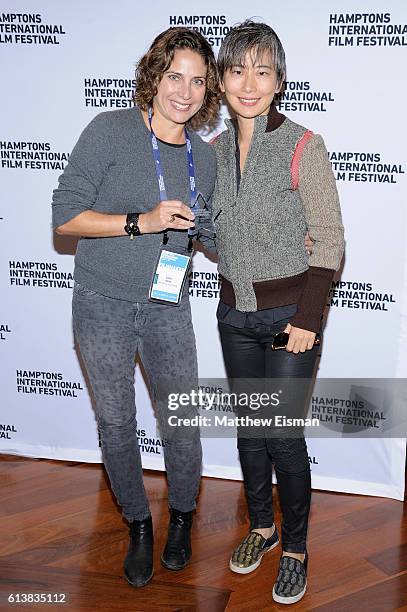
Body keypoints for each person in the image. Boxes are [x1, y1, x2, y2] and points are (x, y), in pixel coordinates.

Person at [51, 27, 220, 588]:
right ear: (154, 75)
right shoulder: (110, 130)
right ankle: (139, 524)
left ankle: (183, 517)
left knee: (181, 422)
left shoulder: (204, 156)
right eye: (176, 76)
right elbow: (66, 217)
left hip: (168, 305)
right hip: (102, 305)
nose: (185, 91)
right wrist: (139, 222)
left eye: (198, 81)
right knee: (118, 423)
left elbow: (211, 236)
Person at [212, 21, 345, 605]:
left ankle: (295, 548)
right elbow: (213, 230)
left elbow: (331, 239)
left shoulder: (303, 145)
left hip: (292, 317)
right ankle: (261, 529)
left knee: (283, 437)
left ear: (279, 81)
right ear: (221, 80)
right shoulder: (210, 153)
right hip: (233, 316)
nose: (249, 83)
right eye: (238, 69)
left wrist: (308, 320)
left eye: (262, 71)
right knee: (250, 433)